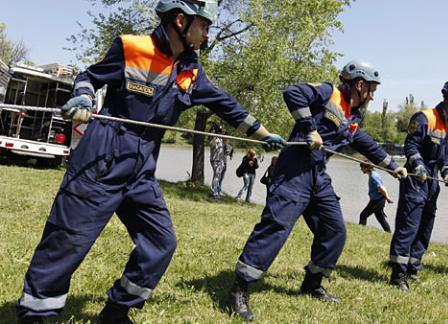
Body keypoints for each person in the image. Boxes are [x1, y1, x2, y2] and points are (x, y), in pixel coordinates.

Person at [15, 1, 286, 323]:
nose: (207, 34)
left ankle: (117, 310)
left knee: (161, 242)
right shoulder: (132, 47)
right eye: (205, 26)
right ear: (181, 20)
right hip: (103, 156)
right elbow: (90, 77)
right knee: (67, 241)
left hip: (142, 167)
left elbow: (225, 104)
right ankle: (36, 314)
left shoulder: (190, 70)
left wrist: (263, 133)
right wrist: (84, 97)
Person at [225, 60, 407, 321]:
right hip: (294, 170)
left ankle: (312, 284)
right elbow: (293, 93)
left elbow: (363, 142)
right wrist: (309, 128)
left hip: (318, 175)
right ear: (359, 84)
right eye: (372, 89)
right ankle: (238, 289)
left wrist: (392, 166)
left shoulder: (353, 115)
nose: (373, 96)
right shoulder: (327, 91)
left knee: (334, 230)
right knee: (276, 227)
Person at [388, 78, 448, 291]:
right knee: (409, 226)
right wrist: (417, 165)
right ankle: (398, 275)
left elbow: (446, 156)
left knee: (426, 226)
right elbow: (410, 146)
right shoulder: (425, 118)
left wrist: (447, 174)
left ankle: (413, 267)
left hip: (432, 182)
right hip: (415, 179)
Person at [359, 160, 393, 233]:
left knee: (363, 215)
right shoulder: (374, 174)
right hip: (377, 200)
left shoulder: (373, 177)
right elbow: (382, 187)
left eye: (362, 167)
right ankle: (388, 233)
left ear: (367, 168)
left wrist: (387, 197)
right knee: (380, 218)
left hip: (377, 201)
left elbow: (381, 188)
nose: (361, 169)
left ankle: (360, 232)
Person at [209, 124, 225, 199]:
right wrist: (213, 135)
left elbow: (222, 149)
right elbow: (212, 144)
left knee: (217, 176)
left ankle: (216, 191)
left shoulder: (221, 139)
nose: (222, 132)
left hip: (220, 160)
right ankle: (214, 193)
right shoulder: (213, 139)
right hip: (215, 160)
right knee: (216, 176)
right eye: (220, 130)